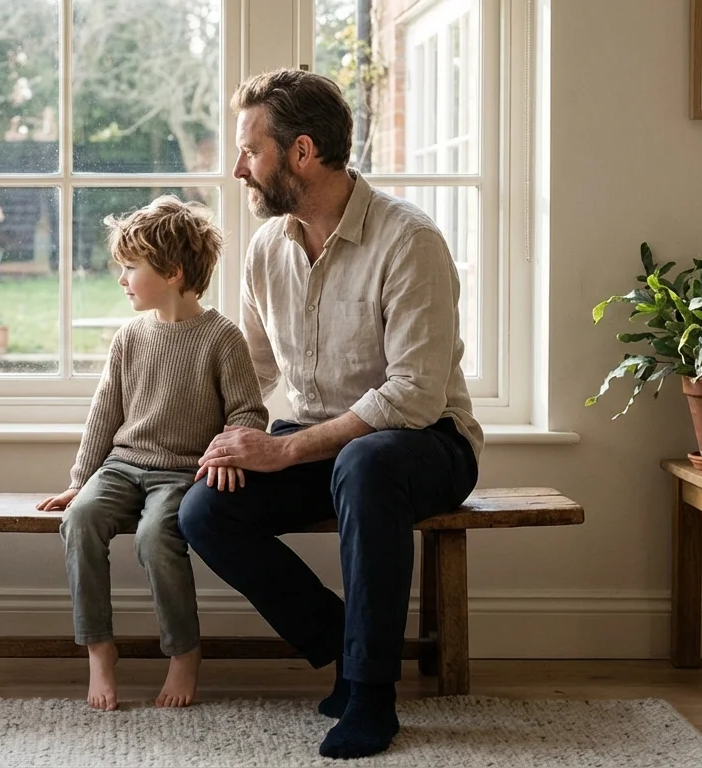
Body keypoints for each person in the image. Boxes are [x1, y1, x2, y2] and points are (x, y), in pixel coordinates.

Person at [177, 69, 483, 759]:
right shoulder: (266, 249)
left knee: (367, 461)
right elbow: (251, 373)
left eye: (250, 152)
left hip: (425, 443)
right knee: (204, 510)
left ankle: (373, 695)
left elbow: (414, 394)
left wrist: (283, 451)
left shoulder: (409, 241)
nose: (237, 169)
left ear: (302, 152)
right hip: (323, 441)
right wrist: (234, 437)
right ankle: (347, 646)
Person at [36, 195, 268, 711]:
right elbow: (104, 415)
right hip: (122, 466)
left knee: (154, 536)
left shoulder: (222, 338)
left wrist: (227, 454)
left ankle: (183, 651)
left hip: (181, 474)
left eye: (130, 267)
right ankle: (99, 649)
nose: (120, 279)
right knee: (80, 520)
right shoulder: (129, 338)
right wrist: (80, 480)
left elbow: (249, 413)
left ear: (172, 271)